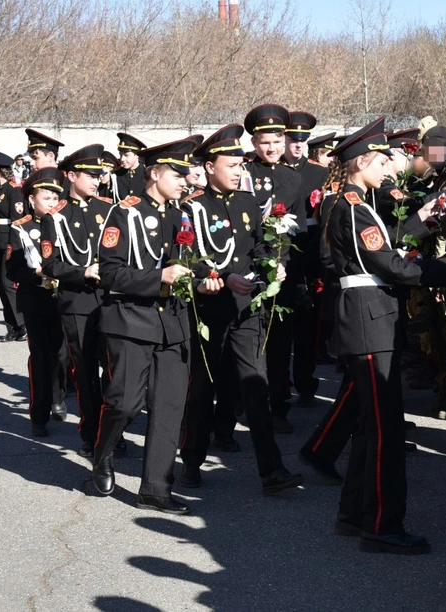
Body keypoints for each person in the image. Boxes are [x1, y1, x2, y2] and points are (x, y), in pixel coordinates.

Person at [323, 117, 446, 555]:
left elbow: (386, 252)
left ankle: (355, 514)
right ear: (362, 162)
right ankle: (381, 524)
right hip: (369, 321)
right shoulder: (353, 207)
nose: (390, 167)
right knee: (384, 429)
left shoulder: (354, 203)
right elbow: (389, 265)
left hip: (369, 317)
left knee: (372, 428)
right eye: (382, 160)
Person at [90, 138, 214, 515]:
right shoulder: (123, 213)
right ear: (155, 173)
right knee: (124, 401)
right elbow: (110, 272)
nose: (185, 181)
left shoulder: (181, 215)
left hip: (172, 323)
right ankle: (102, 451)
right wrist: (159, 276)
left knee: (170, 406)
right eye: (178, 174)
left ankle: (156, 488)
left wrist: (201, 279)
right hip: (131, 318)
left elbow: (185, 263)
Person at [178, 124, 303, 496]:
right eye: (231, 165)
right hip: (210, 310)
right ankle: (192, 461)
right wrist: (223, 276)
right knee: (202, 388)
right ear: (210, 166)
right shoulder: (193, 207)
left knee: (255, 385)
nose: (237, 172)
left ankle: (271, 470)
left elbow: (259, 247)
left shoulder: (249, 203)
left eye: (240, 166)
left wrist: (272, 265)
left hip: (247, 309)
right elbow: (188, 258)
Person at [40, 144, 120, 455]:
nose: (97, 180)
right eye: (90, 175)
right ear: (71, 176)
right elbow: (50, 264)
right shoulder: (56, 216)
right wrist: (83, 272)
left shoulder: (108, 209)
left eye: (100, 175)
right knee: (86, 371)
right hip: (78, 303)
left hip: (111, 300)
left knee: (114, 369)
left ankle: (113, 430)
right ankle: (91, 434)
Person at [243, 103, 306, 434]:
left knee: (279, 341)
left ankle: (278, 405)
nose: (272, 148)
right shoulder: (244, 173)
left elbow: (296, 230)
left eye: (277, 142)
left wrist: (288, 271)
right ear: (254, 143)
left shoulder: (292, 178)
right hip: (248, 268)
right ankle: (250, 402)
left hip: (281, 272)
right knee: (249, 339)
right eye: (265, 142)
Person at [6, 168, 68, 437]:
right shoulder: (20, 229)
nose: (52, 203)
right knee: (41, 356)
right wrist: (37, 274)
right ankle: (39, 413)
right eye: (46, 198)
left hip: (64, 298)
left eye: (55, 197)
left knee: (63, 355)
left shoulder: (65, 224)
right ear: (32, 200)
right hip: (36, 298)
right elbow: (13, 270)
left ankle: (59, 396)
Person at [285, 127, 337, 406]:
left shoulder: (319, 173)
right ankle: (278, 387)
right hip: (279, 255)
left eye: (303, 141)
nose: (298, 145)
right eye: (293, 140)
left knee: (307, 328)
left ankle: (306, 383)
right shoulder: (269, 172)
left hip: (310, 257)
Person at [0, 151, 27, 343]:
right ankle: (11, 327)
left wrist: (14, 245)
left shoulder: (14, 189)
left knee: (8, 285)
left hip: (8, 243)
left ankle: (22, 325)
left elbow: (17, 220)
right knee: (1, 286)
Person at [115, 132, 147, 199]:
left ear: (137, 155)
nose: (122, 159)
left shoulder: (146, 175)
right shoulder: (117, 175)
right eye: (120, 155)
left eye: (126, 155)